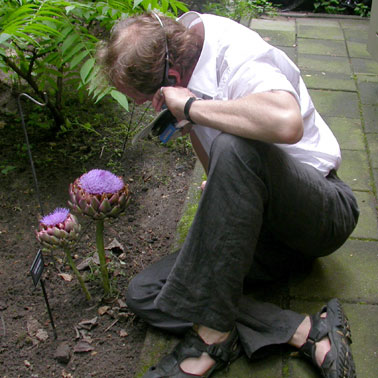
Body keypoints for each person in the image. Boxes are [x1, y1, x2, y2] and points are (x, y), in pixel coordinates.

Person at [97, 11, 359, 378]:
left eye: (145, 99)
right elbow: (217, 164)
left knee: (236, 145)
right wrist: (196, 135)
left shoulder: (236, 54)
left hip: (320, 214)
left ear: (171, 79)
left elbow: (287, 121)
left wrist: (191, 107)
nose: (146, 108)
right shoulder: (187, 71)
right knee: (146, 292)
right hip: (264, 233)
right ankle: (306, 331)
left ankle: (212, 339)